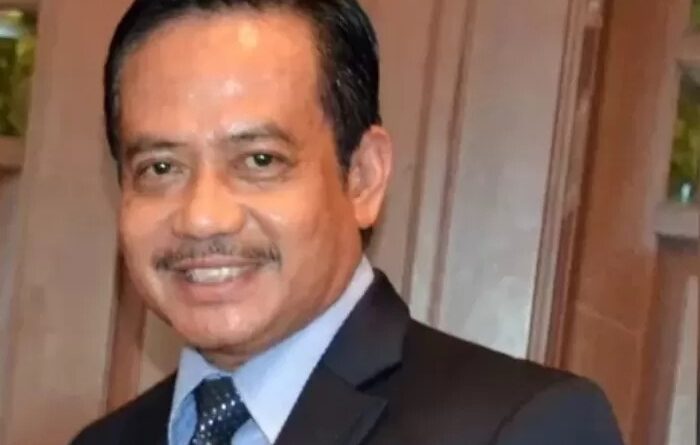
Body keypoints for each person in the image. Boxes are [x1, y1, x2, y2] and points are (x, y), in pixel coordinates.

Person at [72, 1, 624, 444]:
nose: (202, 218)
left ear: (363, 177)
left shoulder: (524, 428)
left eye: (259, 160)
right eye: (161, 168)